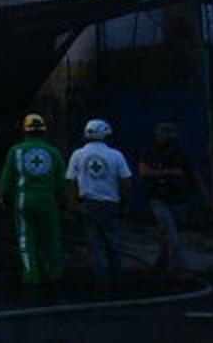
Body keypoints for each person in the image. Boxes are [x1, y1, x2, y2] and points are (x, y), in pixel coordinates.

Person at [0, 113, 67, 286]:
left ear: (25, 131)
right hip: (48, 201)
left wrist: (4, 198)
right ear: (44, 131)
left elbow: (7, 179)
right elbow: (61, 182)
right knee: (50, 238)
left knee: (25, 238)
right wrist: (63, 202)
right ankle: (53, 274)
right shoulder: (54, 152)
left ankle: (31, 275)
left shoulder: (16, 151)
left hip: (24, 200)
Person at [66, 118, 133, 293]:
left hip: (88, 205)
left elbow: (71, 182)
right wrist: (125, 204)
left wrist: (73, 205)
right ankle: (117, 282)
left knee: (95, 247)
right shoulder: (116, 155)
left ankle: (101, 284)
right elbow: (126, 182)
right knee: (114, 245)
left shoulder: (77, 155)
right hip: (111, 204)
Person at [139, 121, 203, 282]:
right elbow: (144, 172)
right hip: (158, 198)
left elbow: (193, 173)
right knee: (171, 233)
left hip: (179, 199)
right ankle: (180, 271)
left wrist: (202, 195)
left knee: (169, 234)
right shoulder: (150, 151)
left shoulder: (181, 153)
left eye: (167, 134)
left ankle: (162, 261)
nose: (164, 137)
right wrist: (171, 172)